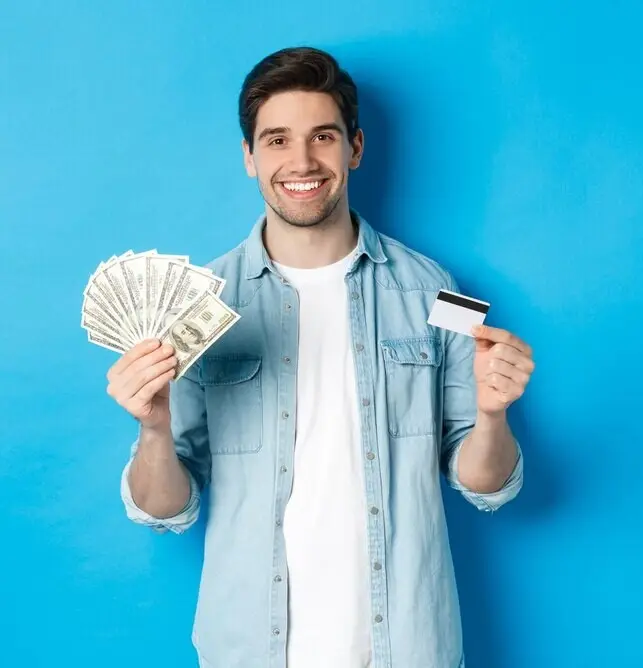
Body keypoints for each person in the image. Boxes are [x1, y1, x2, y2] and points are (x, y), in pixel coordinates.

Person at [104, 46, 533, 668]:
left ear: (354, 148)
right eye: (276, 140)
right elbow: (165, 510)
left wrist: (493, 417)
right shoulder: (198, 305)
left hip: (408, 648)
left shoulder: (437, 289)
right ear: (249, 157)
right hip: (249, 650)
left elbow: (487, 486)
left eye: (322, 137)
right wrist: (153, 428)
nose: (300, 161)